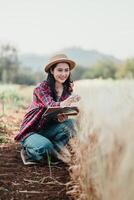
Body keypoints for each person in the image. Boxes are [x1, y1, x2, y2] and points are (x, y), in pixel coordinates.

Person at [14, 54, 81, 165]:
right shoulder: (41, 88)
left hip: (48, 129)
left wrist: (60, 118)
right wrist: (69, 101)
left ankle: (52, 153)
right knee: (45, 146)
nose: (63, 74)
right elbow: (50, 105)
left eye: (66, 70)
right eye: (59, 70)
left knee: (72, 124)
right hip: (32, 131)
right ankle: (28, 153)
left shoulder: (67, 90)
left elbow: (56, 112)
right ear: (51, 70)